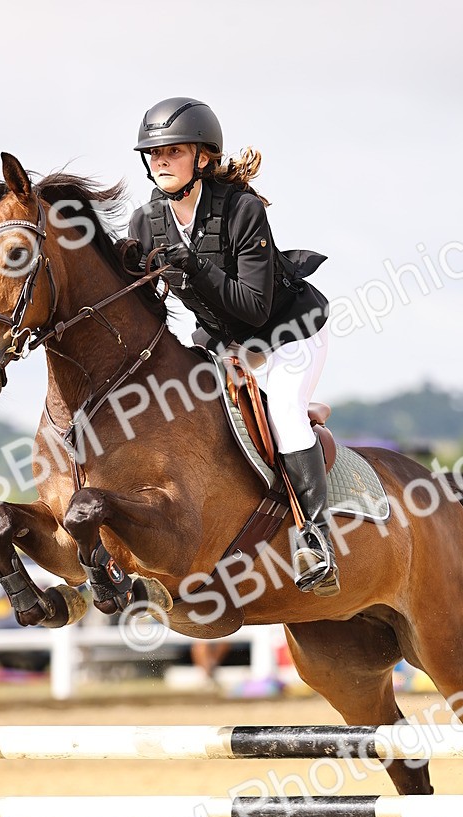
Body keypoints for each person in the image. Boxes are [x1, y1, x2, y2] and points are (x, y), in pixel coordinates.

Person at [128, 97, 338, 597]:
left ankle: (317, 539)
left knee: (284, 416)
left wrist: (196, 266)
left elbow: (253, 310)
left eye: (172, 151)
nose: (160, 161)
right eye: (153, 153)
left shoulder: (241, 210)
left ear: (203, 157)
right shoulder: (145, 222)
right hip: (224, 340)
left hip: (288, 332)